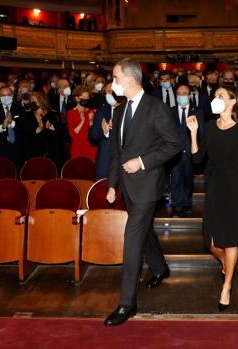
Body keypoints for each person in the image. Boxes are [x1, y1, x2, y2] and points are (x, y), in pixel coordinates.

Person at [104, 58, 181, 326]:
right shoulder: (118, 110)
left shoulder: (156, 107)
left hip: (148, 184)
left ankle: (127, 304)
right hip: (126, 185)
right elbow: (117, 153)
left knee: (132, 239)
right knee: (144, 230)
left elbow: (174, 144)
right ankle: (160, 268)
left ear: (129, 78)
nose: (112, 82)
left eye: (115, 77)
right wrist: (112, 184)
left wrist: (143, 161)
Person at [186, 85, 238, 311]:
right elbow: (197, 159)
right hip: (214, 190)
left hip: (235, 191)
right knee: (210, 242)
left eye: (220, 96)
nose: (215, 99)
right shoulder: (209, 126)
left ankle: (226, 287)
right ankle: (227, 264)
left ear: (232, 102)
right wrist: (193, 133)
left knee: (230, 242)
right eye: (214, 96)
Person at [169, 83, 204, 217]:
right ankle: (177, 206)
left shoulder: (197, 111)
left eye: (184, 93)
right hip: (175, 153)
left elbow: (202, 133)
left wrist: (199, 151)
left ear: (189, 96)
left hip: (191, 151)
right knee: (176, 178)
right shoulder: (170, 111)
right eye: (179, 94)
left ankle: (188, 204)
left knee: (188, 179)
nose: (182, 96)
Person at [88, 82, 122, 180]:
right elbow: (92, 136)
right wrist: (105, 132)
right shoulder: (102, 111)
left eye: (111, 91)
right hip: (106, 161)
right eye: (106, 93)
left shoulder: (129, 108)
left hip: (126, 162)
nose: (109, 95)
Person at [67, 86, 97, 162]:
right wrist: (82, 121)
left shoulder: (91, 112)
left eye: (87, 97)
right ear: (77, 98)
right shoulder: (71, 113)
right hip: (78, 146)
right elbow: (72, 134)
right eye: (83, 97)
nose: (86, 99)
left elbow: (93, 133)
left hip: (90, 146)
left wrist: (91, 121)